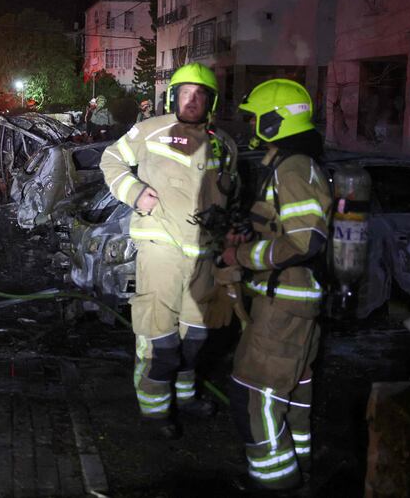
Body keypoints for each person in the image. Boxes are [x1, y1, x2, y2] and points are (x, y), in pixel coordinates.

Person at [99, 62, 238, 440]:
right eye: (184, 93)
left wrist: (229, 243)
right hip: (160, 250)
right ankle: (155, 413)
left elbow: (229, 199)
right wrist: (134, 192)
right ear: (172, 96)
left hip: (204, 259)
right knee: (160, 342)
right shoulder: (149, 130)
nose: (191, 100)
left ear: (211, 101)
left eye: (200, 94)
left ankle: (186, 398)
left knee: (195, 341)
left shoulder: (225, 144)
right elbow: (110, 159)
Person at [214, 79, 331, 492]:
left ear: (274, 120)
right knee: (292, 397)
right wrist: (251, 234)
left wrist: (242, 258)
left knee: (254, 398)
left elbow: (304, 241)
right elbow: (287, 228)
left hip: (285, 306)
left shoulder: (294, 167)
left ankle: (275, 484)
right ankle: (297, 475)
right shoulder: (293, 162)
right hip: (293, 304)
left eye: (254, 117)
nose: (249, 124)